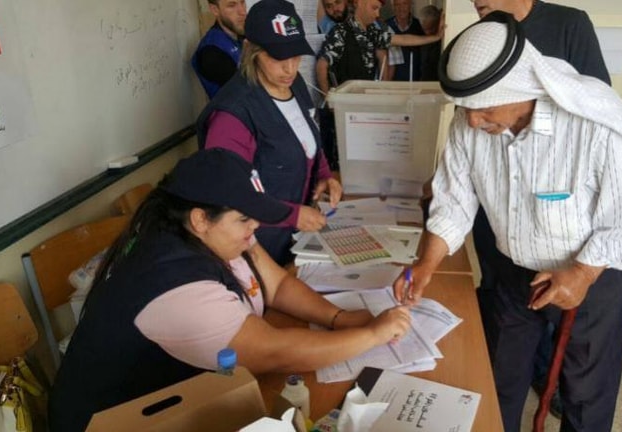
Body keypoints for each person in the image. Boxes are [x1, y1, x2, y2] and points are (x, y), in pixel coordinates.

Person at [394, 12, 622, 432]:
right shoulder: (472, 122)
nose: (472, 121)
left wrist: (582, 273)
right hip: (513, 272)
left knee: (586, 395)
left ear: (521, 90)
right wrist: (427, 264)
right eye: (466, 109)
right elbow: (453, 201)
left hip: (590, 276)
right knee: (500, 379)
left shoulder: (592, 122)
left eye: (484, 109)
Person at [48, 149, 412, 432]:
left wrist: (339, 318)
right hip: (116, 423)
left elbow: (279, 285)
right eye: (244, 219)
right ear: (200, 219)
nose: (254, 230)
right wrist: (372, 335)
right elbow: (275, 352)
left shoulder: (217, 235)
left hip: (179, 403)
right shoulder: (175, 284)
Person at [197, 0, 343, 266]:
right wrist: (292, 215)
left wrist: (324, 175)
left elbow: (306, 138)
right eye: (277, 58)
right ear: (250, 51)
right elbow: (229, 192)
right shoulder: (233, 115)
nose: (290, 68)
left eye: (296, 56)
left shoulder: (295, 84)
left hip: (296, 243)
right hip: (255, 250)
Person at [315, 0, 443, 170]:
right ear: (359, 3)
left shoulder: (372, 32)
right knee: (344, 161)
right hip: (344, 111)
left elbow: (402, 39)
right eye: (374, 8)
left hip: (362, 111)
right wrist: (329, 99)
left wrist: (434, 38)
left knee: (362, 158)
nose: (377, 14)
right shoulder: (341, 32)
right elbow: (322, 65)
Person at [191, 0, 248, 99]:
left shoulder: (242, 34)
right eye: (232, 5)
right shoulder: (211, 51)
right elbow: (248, 90)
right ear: (215, 10)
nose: (243, 12)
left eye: (242, 2)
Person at [385, 0, 425, 82]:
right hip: (392, 81)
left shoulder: (419, 25)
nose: (401, 8)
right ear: (393, 7)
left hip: (416, 81)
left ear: (410, 5)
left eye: (405, 3)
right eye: (397, 5)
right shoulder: (386, 26)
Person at [416, 5, 441, 81]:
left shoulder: (442, 41)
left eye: (431, 28)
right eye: (425, 29)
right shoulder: (420, 36)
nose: (428, 32)